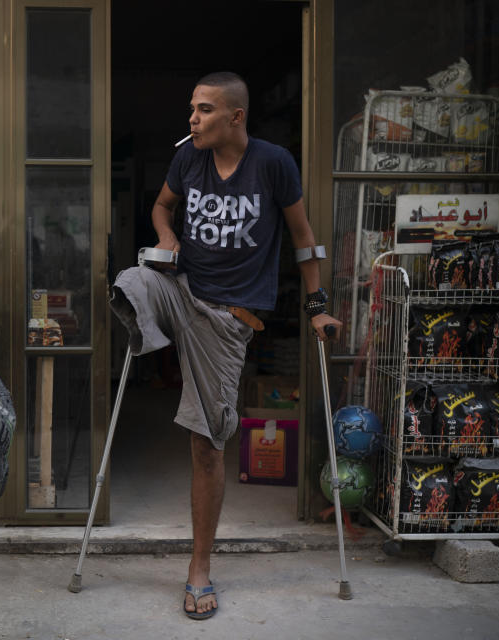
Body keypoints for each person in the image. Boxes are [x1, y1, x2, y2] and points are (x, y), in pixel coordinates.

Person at [109, 72, 341, 621]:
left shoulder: (273, 163)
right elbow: (163, 209)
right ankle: (157, 344)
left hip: (228, 321)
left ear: (236, 116)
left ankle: (199, 571)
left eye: (204, 109)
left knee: (207, 446)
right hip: (180, 290)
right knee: (131, 279)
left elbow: (304, 238)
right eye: (191, 108)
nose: (192, 119)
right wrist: (167, 240)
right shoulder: (188, 158)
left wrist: (317, 305)